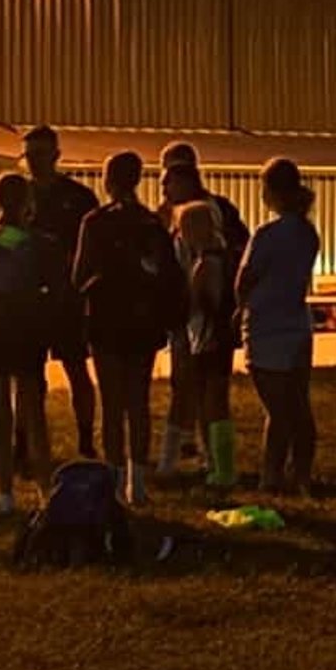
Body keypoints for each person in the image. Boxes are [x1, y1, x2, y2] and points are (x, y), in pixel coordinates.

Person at [72, 150, 185, 505]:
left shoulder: (94, 222)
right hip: (142, 321)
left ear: (108, 180)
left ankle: (115, 481)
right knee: (138, 402)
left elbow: (78, 276)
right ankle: (138, 482)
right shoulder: (151, 224)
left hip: (106, 320)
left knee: (111, 403)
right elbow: (168, 274)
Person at [0, 171, 64, 513]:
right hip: (24, 332)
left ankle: (5, 495)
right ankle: (45, 490)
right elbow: (52, 290)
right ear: (27, 203)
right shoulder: (36, 244)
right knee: (33, 415)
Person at [235, 156, 321, 496]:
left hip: (266, 326)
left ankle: (271, 476)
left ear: (270, 191)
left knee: (277, 409)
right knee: (298, 405)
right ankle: (300, 474)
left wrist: (240, 305)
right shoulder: (307, 233)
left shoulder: (267, 234)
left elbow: (246, 278)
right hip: (297, 325)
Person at [21, 126, 102, 459]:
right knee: (29, 375)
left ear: (55, 155)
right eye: (29, 155)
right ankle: (26, 440)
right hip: (28, 300)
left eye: (40, 154)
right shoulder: (17, 197)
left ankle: (85, 438)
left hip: (66, 298)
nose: (34, 161)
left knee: (77, 369)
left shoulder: (78, 198)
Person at [176, 196, 238, 490]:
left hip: (207, 340)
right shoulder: (224, 258)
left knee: (210, 404)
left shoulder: (205, 264)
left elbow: (199, 304)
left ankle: (220, 466)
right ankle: (215, 463)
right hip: (217, 339)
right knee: (215, 402)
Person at [156, 159, 208, 476]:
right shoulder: (175, 222)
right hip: (185, 318)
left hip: (191, 318)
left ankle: (171, 458)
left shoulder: (192, 221)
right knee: (189, 386)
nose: (163, 190)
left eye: (168, 183)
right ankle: (202, 451)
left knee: (192, 386)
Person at [160, 140, 251, 272]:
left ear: (184, 179)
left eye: (168, 181)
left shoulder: (220, 211)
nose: (165, 192)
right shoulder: (223, 208)